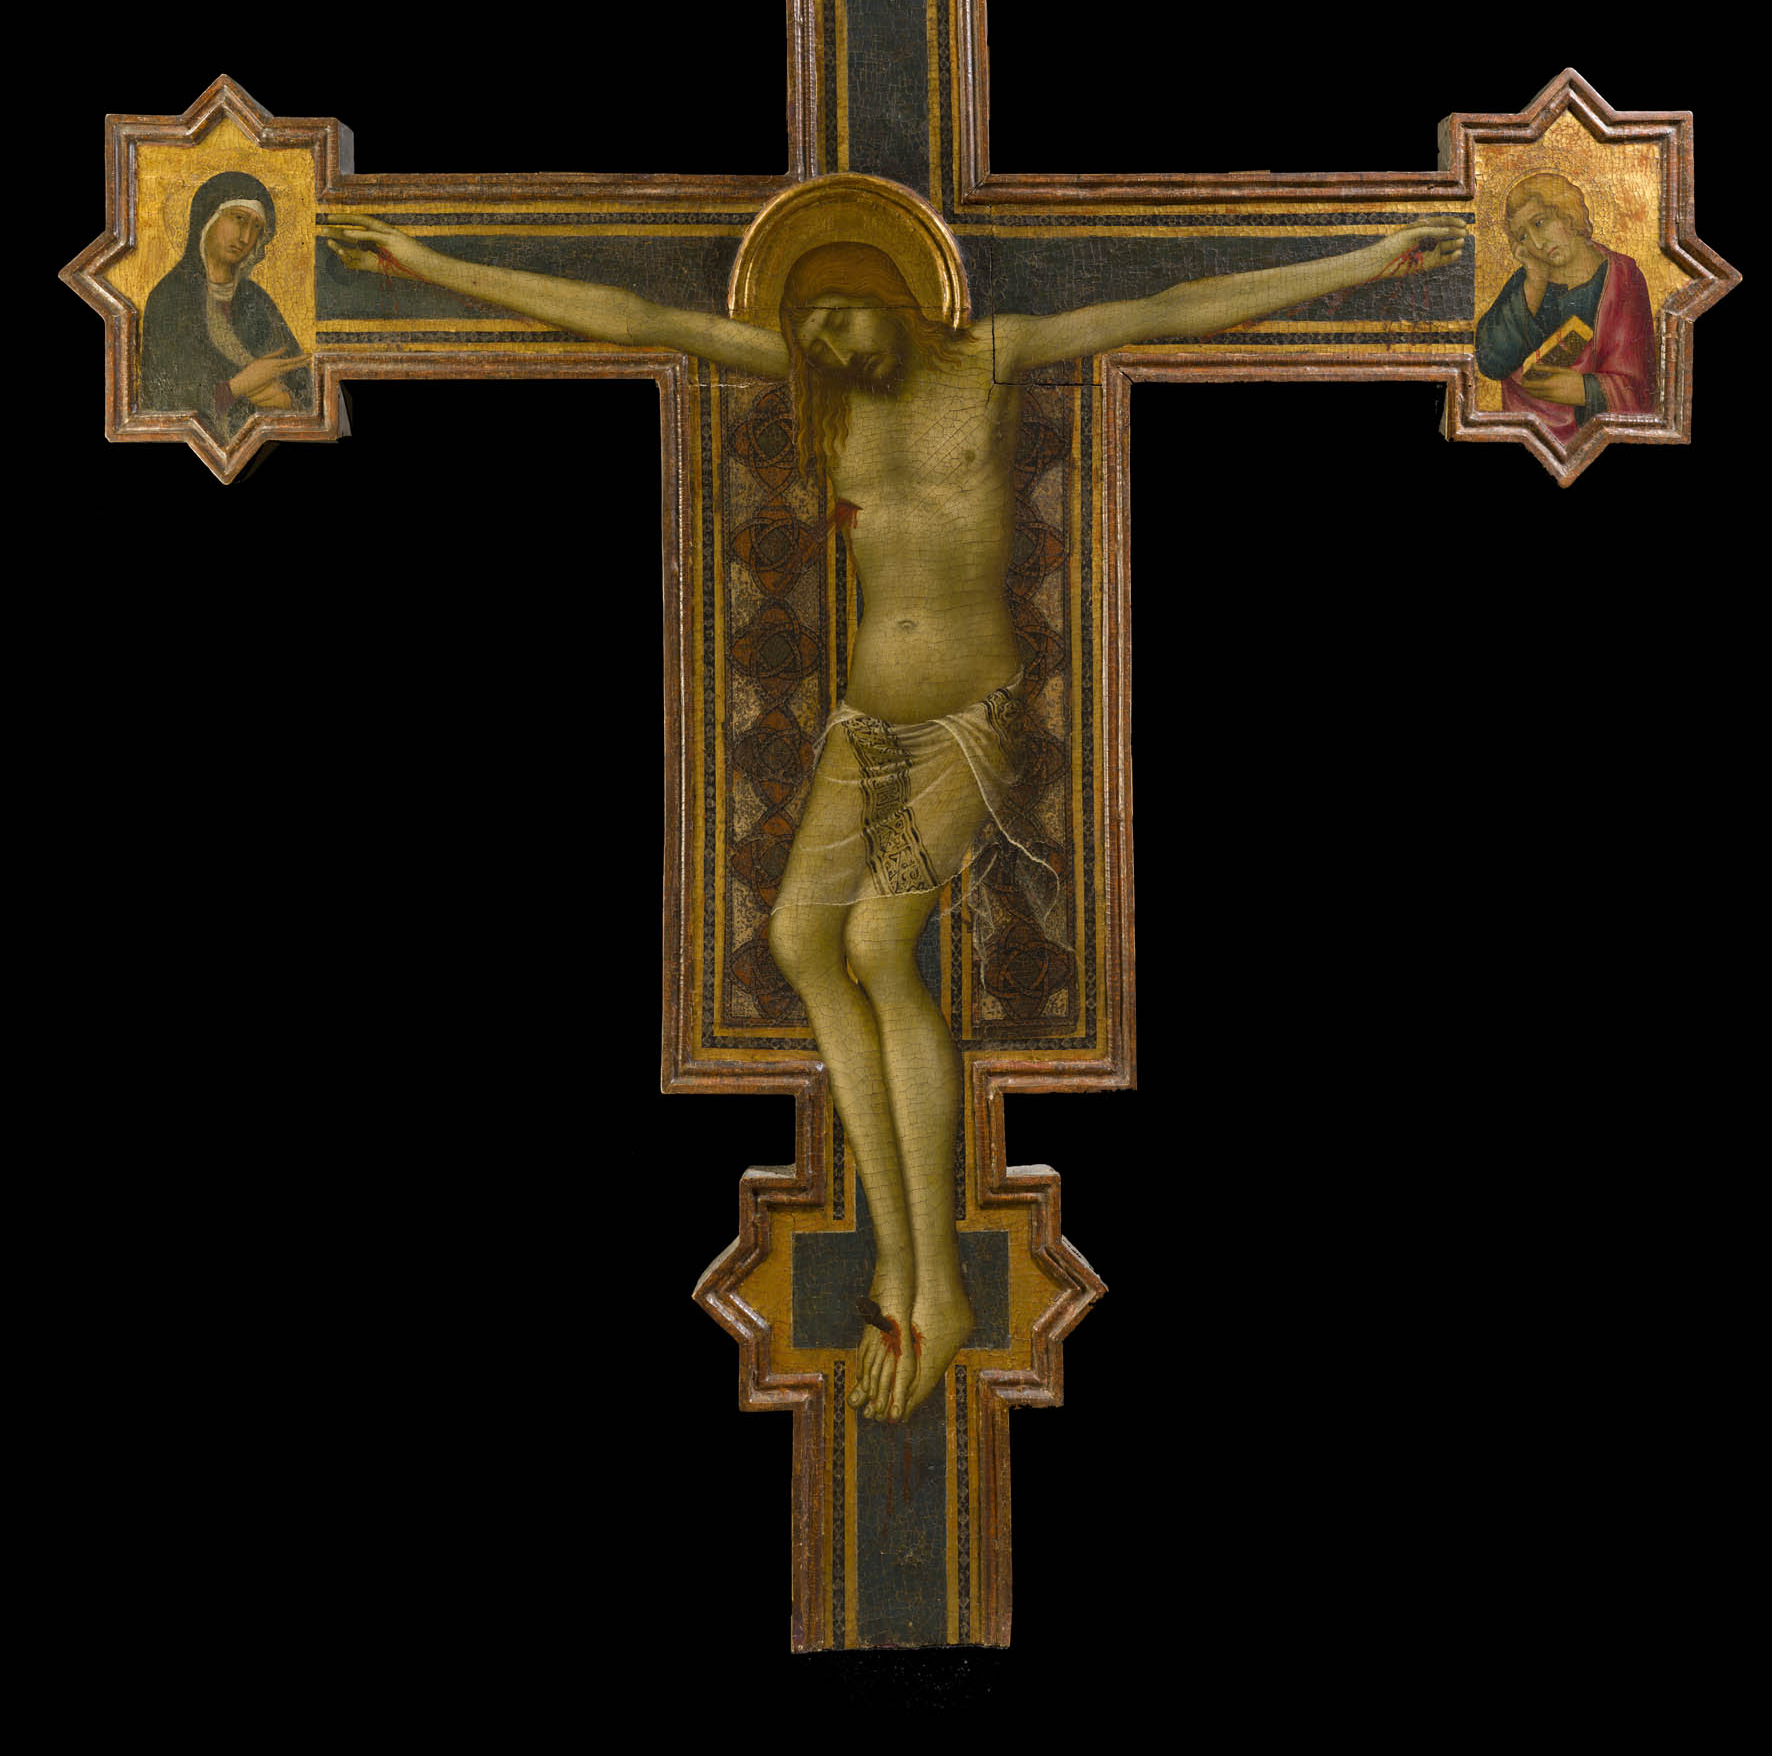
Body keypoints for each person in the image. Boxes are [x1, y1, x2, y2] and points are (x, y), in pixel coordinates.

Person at [323, 204, 1468, 1422]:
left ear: (893, 294)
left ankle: (941, 1286)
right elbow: (629, 316)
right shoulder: (817, 386)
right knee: (798, 941)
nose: (824, 341)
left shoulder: (993, 356)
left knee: (877, 943)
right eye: (808, 327)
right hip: (867, 718)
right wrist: (416, 260)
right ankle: (898, 1259)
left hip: (968, 712)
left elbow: (1171, 309)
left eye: (838, 314)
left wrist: (1370, 261)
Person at [1475, 171, 1654, 440]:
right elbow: (1490, 361)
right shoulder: (1527, 281)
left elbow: (1640, 388)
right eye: (1523, 237)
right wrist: (1535, 281)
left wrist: (1585, 390)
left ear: (1566, 212)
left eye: (1540, 223)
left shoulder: (1621, 279)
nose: (1537, 244)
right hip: (1527, 435)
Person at [140, 170, 311, 438]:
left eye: (257, 227)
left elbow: (303, 383)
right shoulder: (169, 298)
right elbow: (163, 398)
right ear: (207, 218)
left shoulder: (257, 299)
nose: (245, 237)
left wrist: (289, 403)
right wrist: (238, 386)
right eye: (239, 218)